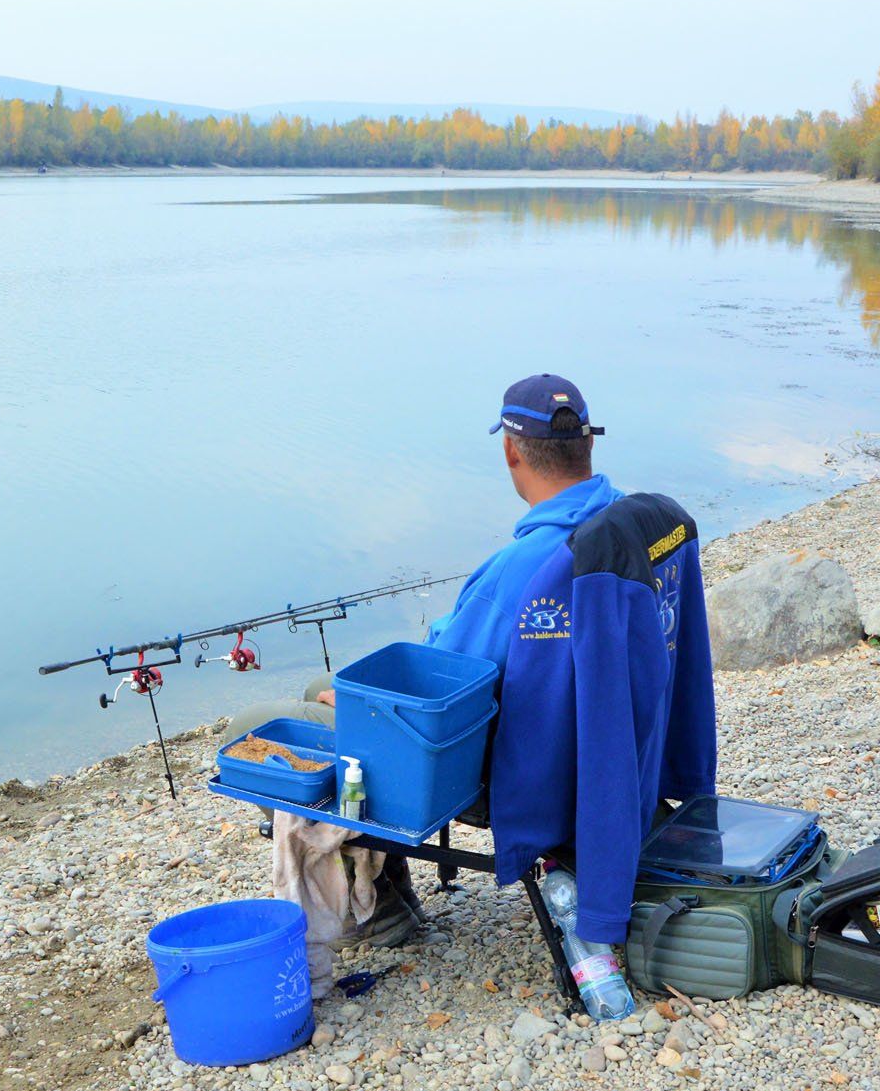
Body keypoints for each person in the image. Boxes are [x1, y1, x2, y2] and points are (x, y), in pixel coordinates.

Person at [229, 374, 622, 945]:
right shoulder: (618, 526)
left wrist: (365, 708)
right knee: (325, 683)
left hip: (505, 769)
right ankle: (388, 888)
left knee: (252, 728)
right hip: (587, 749)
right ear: (589, 446)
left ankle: (382, 911)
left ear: (511, 451)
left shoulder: (524, 567)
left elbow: (442, 687)